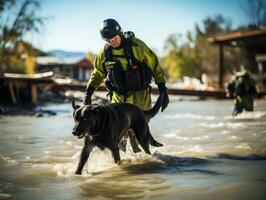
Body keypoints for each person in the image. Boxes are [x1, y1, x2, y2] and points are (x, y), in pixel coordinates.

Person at [84, 18, 169, 112]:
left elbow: (155, 67)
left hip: (140, 100)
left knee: (138, 126)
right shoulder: (105, 53)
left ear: (120, 33)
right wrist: (88, 93)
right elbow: (98, 73)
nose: (112, 42)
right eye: (108, 40)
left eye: (114, 38)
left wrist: (162, 91)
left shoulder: (137, 47)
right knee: (118, 126)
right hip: (117, 101)